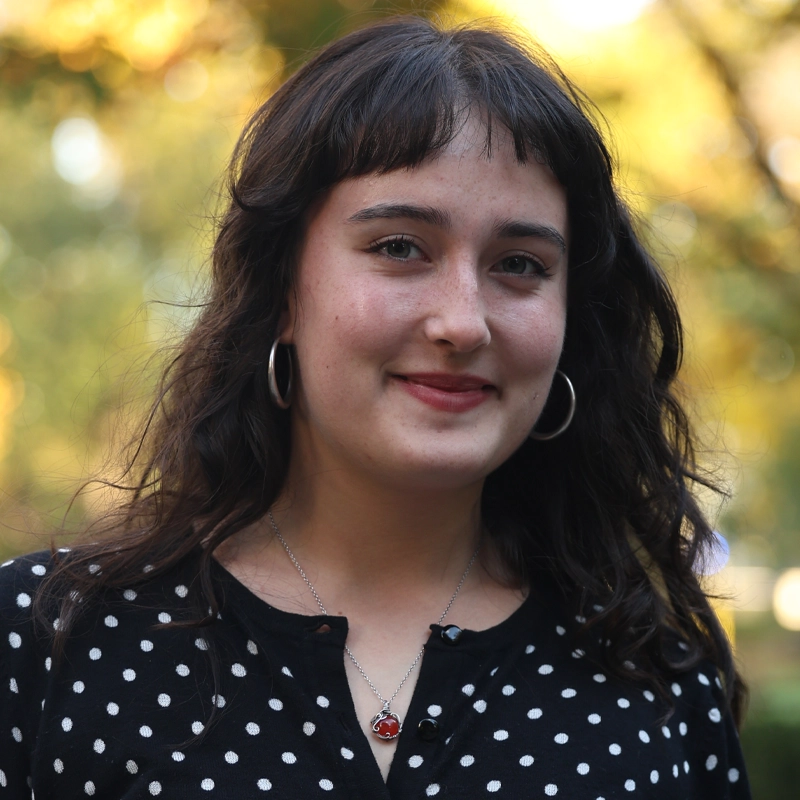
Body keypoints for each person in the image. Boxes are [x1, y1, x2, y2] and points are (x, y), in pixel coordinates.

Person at [0, 15, 751, 799]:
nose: (462, 321)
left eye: (520, 264)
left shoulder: (659, 693)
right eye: (400, 246)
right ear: (282, 291)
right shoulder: (46, 646)